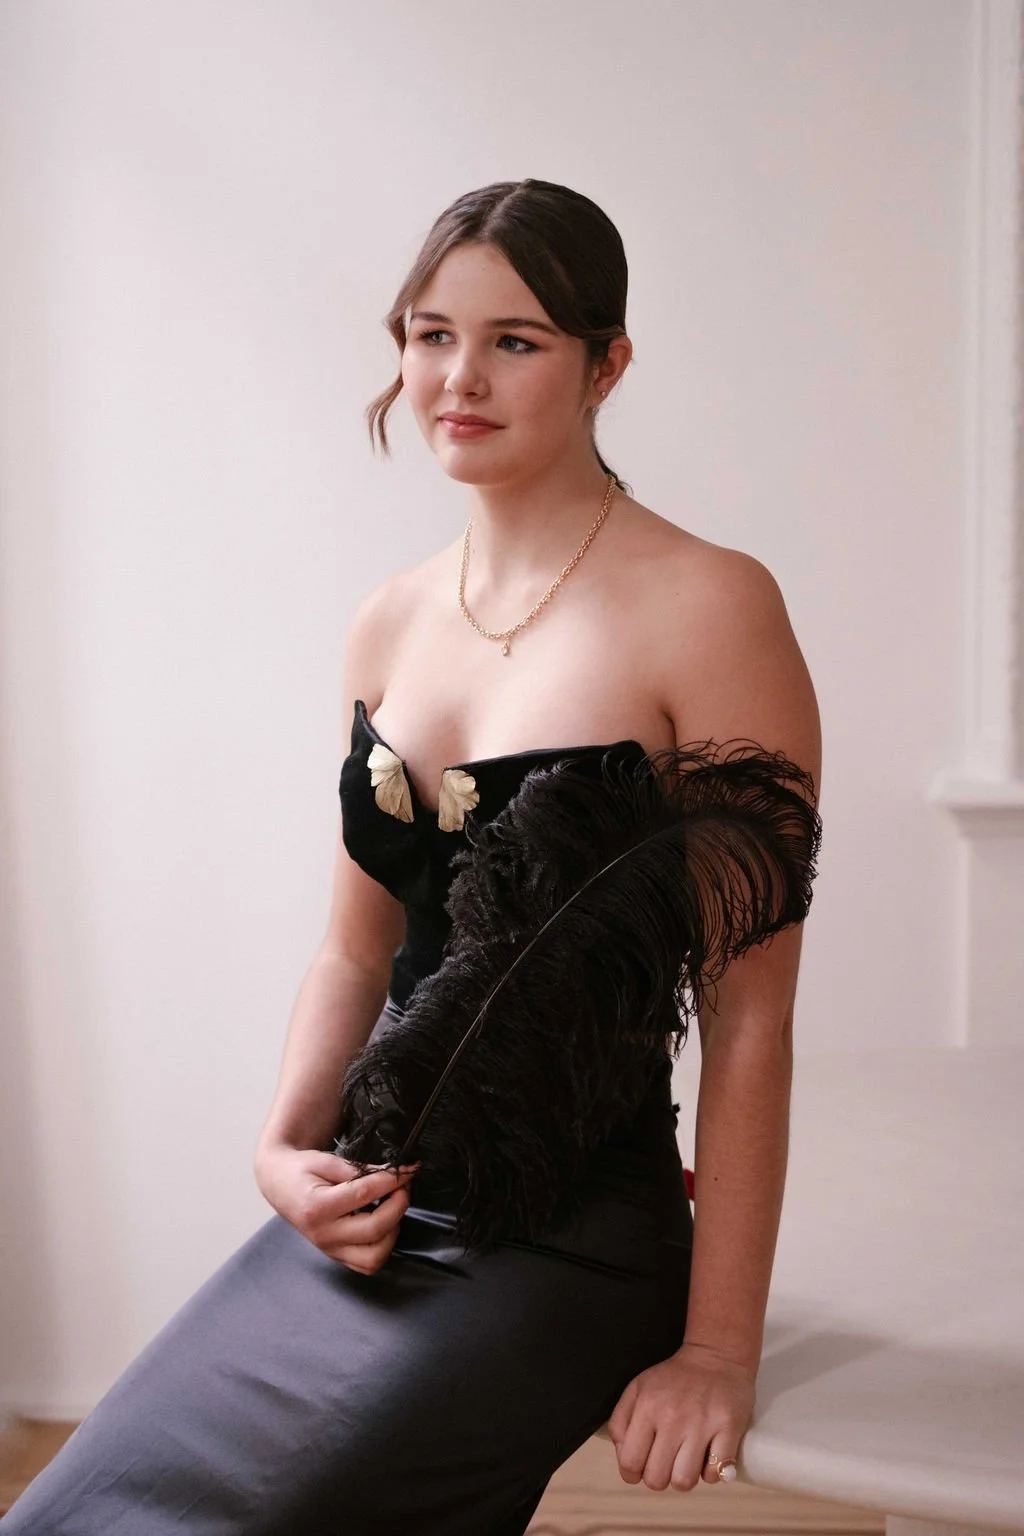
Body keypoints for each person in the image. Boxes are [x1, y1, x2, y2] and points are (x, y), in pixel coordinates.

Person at [1, 177, 822, 1534]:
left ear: (608, 362)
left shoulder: (712, 606)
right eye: (431, 333)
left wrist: (717, 1350)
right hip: (365, 1215)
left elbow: (751, 1015)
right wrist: (281, 1153)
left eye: (516, 341)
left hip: (569, 1238)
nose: (460, 377)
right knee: (66, 1517)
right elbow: (355, 943)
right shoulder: (388, 622)